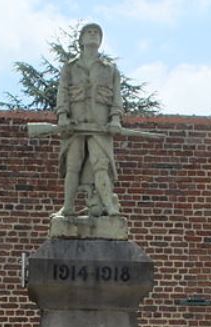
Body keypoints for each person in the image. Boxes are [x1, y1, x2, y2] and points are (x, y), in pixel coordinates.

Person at [55, 23, 123, 217]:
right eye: (89, 32)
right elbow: (63, 93)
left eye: (96, 33)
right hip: (74, 125)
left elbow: (117, 97)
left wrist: (116, 118)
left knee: (100, 164)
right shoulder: (69, 67)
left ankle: (109, 206)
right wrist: (62, 115)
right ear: (81, 39)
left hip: (100, 125)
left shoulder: (110, 69)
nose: (93, 35)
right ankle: (68, 206)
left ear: (100, 41)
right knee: (72, 165)